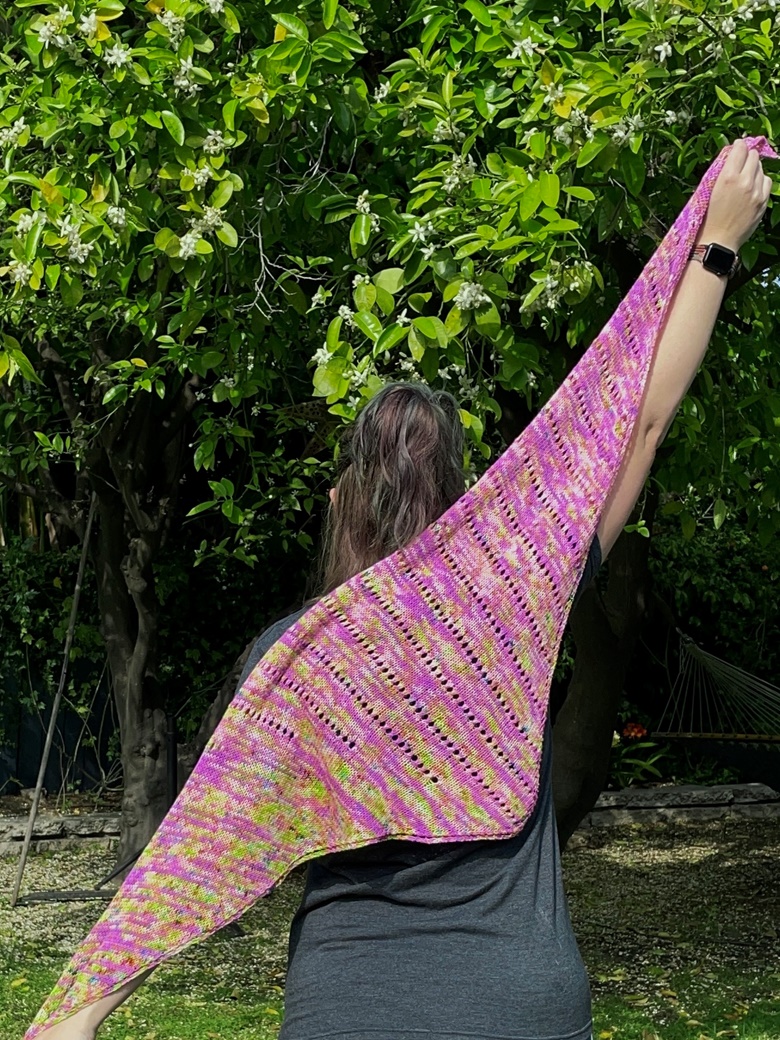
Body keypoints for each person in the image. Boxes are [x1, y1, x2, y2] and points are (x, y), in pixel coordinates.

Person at [36, 140, 770, 1040]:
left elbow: (201, 847)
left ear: (345, 497)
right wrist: (716, 244)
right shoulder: (511, 596)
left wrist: (80, 1010)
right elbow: (642, 422)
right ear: (461, 503)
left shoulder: (296, 655)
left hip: (351, 1012)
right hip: (520, 1008)